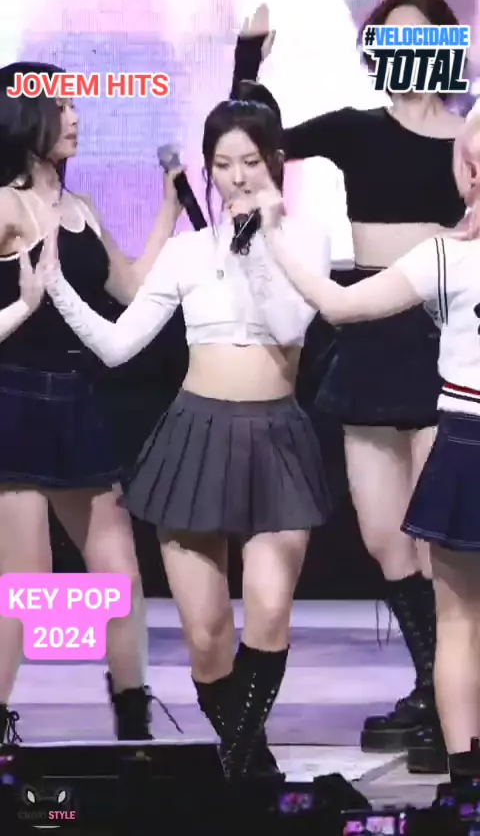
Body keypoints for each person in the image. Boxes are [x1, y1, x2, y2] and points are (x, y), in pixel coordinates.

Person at [39, 97, 332, 780]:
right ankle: (251, 770)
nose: (237, 177)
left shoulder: (305, 237)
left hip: (277, 439)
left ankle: (242, 773)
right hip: (196, 436)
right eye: (223, 164)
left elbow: (289, 325)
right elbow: (118, 346)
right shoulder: (187, 251)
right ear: (207, 168)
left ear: (276, 163)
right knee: (206, 637)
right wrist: (52, 285)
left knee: (268, 609)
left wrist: (260, 243)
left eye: (250, 162)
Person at [231, 0, 466, 770]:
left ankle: (454, 701)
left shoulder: (471, 137)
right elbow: (251, 146)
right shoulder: (354, 128)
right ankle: (431, 686)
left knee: (441, 541)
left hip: (444, 334)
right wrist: (247, 61)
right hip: (367, 333)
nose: (406, 52)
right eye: (390, 40)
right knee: (383, 535)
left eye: (420, 38)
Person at [0, 61, 182, 745]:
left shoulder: (82, 210)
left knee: (119, 571)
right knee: (26, 581)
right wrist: (24, 305)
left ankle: (134, 721)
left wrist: (169, 211)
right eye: (63, 106)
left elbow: (133, 290)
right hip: (14, 397)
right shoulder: (5, 206)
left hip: (76, 398)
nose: (76, 117)